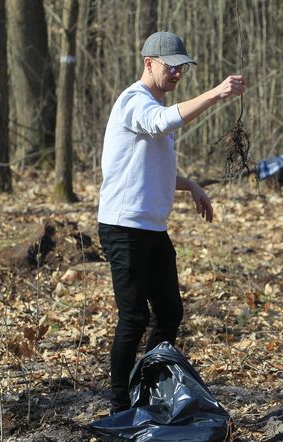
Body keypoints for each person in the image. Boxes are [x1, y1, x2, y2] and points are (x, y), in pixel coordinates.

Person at [97, 31, 246, 413]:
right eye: (171, 66)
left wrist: (190, 184)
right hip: (123, 228)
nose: (178, 73)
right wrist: (215, 94)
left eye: (182, 67)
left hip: (152, 230)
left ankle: (147, 389)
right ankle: (119, 407)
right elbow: (163, 122)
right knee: (133, 317)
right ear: (149, 63)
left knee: (170, 313)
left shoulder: (152, 105)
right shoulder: (134, 102)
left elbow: (148, 167)